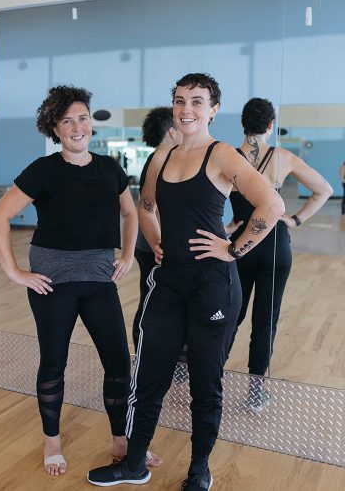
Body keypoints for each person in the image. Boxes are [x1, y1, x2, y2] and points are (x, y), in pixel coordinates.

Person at [87, 73, 285, 490]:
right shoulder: (165, 155)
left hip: (213, 283)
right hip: (169, 280)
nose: (187, 109)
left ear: (213, 109)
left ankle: (199, 469)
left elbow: (273, 203)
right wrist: (157, 242)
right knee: (151, 374)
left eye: (197, 101)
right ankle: (135, 462)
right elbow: (146, 205)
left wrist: (234, 249)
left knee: (204, 381)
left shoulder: (223, 154)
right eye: (180, 100)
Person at [0, 85, 138, 476]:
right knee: (54, 362)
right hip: (52, 281)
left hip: (98, 277)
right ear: (55, 128)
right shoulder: (43, 170)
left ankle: (121, 440)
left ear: (91, 122)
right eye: (67, 120)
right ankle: (52, 442)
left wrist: (126, 254)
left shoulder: (110, 169)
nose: (77, 127)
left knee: (120, 361)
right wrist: (13, 272)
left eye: (83, 118)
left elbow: (131, 213)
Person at [226, 97, 333, 411]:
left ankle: (212, 378)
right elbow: (324, 189)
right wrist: (295, 219)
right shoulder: (283, 157)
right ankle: (256, 392)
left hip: (242, 246)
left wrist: (229, 227)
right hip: (275, 245)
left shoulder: (227, 158)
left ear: (243, 125)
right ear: (270, 126)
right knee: (265, 321)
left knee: (232, 314)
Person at [132, 106, 183, 350]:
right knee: (150, 302)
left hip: (150, 245)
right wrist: (162, 244)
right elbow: (156, 209)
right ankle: (144, 353)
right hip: (154, 245)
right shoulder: (161, 161)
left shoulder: (159, 159)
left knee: (152, 299)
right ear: (172, 132)